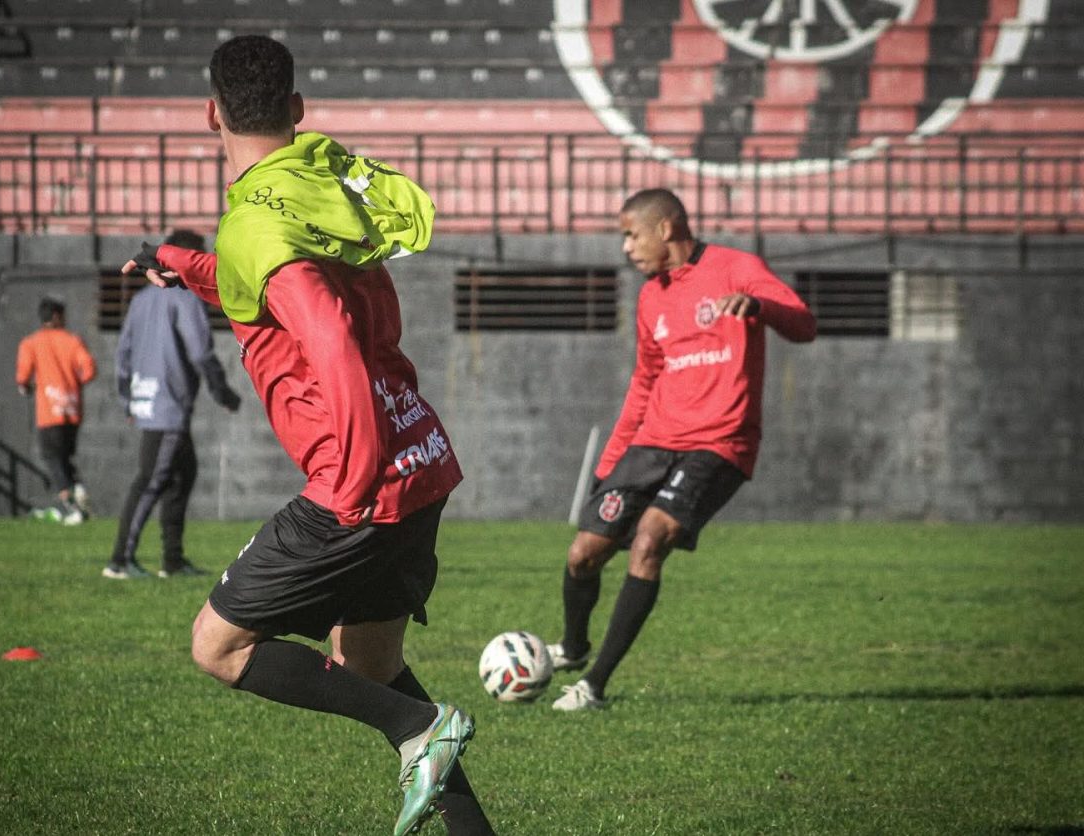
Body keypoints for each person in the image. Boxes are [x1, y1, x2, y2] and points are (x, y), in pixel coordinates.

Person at [120, 36, 491, 836]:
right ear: (296, 110)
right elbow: (279, 282)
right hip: (421, 458)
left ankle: (415, 731)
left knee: (217, 647)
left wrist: (352, 487)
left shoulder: (256, 218)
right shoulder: (315, 182)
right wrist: (188, 263)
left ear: (210, 113)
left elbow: (325, 336)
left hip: (361, 485)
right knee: (372, 668)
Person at [549, 188, 817, 712]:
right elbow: (645, 382)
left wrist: (759, 305)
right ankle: (574, 648)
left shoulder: (737, 267)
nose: (626, 247)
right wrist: (609, 464)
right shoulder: (652, 296)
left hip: (719, 442)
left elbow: (804, 324)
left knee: (651, 539)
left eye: (631, 234)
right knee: (584, 553)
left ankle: (594, 685)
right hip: (653, 442)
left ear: (666, 228)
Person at [103, 229, 242, 581]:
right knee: (151, 480)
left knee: (183, 475)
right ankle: (119, 561)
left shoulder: (141, 300)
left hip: (147, 401)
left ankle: (173, 560)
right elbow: (201, 352)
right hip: (168, 408)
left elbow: (122, 355)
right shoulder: (185, 299)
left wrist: (127, 400)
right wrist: (223, 393)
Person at [15, 296, 96, 525]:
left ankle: (73, 506)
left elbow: (22, 378)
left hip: (49, 412)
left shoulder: (31, 343)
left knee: (52, 459)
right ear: (58, 316)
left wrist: (27, 387)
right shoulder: (73, 341)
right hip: (72, 411)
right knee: (64, 457)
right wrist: (75, 384)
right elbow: (89, 369)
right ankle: (77, 488)